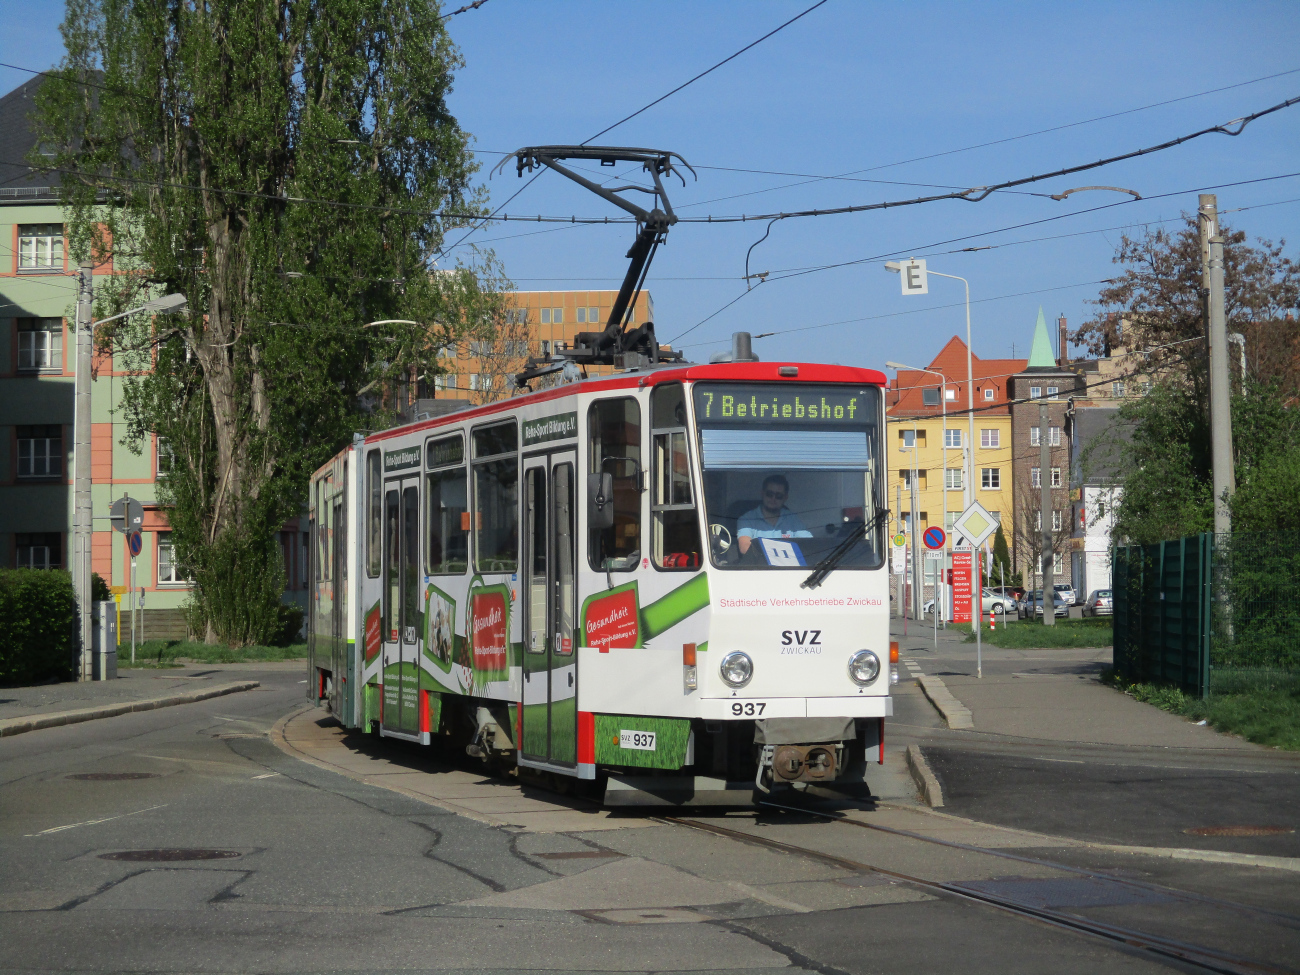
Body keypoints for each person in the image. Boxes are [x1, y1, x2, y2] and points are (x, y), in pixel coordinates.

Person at [737, 474, 812, 555]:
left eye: (778, 496)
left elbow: (808, 545)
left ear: (785, 497)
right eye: (769, 494)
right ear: (762, 493)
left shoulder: (792, 519)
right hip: (759, 566)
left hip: (788, 566)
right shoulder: (747, 519)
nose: (773, 499)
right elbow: (745, 548)